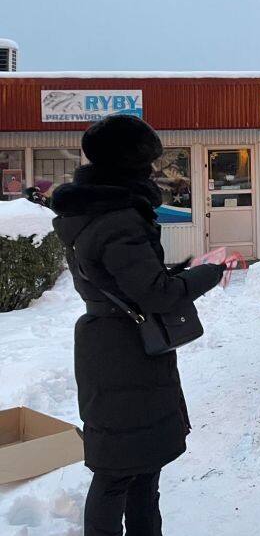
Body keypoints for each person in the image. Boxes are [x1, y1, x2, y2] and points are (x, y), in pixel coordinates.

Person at [51, 115, 227, 536]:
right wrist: (208, 273)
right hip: (126, 352)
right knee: (121, 471)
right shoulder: (119, 217)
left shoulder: (92, 212)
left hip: (112, 345)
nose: (152, 172)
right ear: (129, 166)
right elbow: (156, 294)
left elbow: (128, 278)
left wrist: (176, 271)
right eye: (146, 164)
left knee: (136, 462)